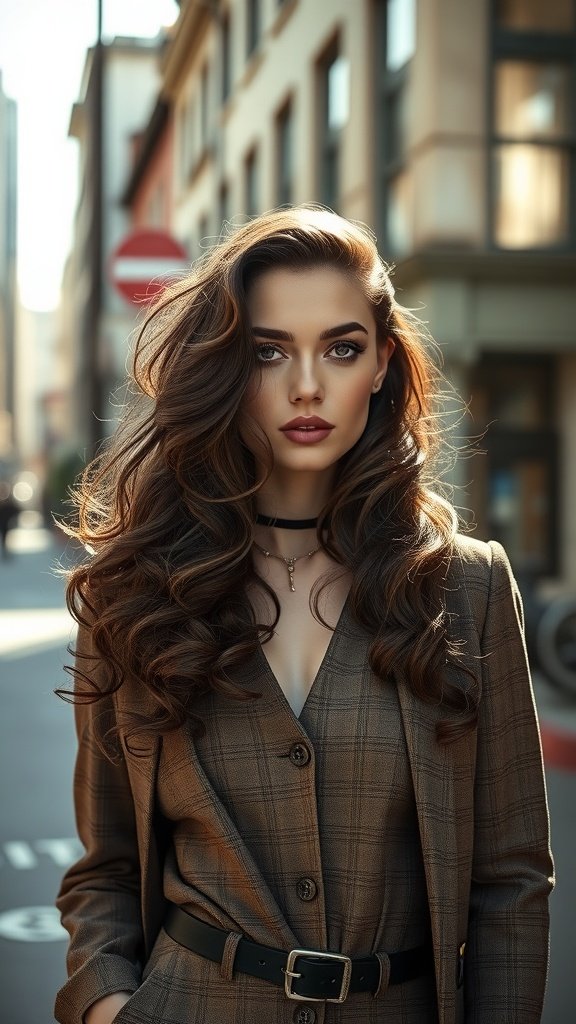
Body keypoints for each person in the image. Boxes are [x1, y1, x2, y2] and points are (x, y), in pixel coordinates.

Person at [54, 206, 554, 1024]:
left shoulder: (468, 588)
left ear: (384, 363)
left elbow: (510, 882)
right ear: (225, 366)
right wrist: (111, 1007)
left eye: (342, 347)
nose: (307, 385)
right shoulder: (136, 589)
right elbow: (105, 869)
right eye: (268, 351)